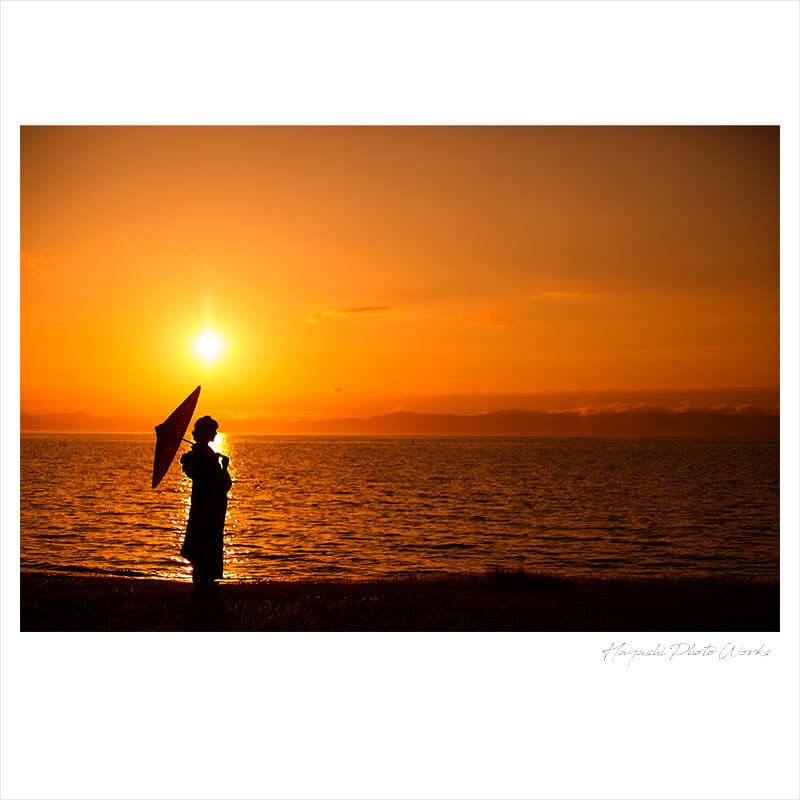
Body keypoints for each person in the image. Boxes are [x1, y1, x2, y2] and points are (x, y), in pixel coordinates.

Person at [180, 415, 232, 586]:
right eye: (213, 431)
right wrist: (224, 468)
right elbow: (220, 483)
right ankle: (204, 579)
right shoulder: (203, 456)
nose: (216, 434)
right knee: (206, 541)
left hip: (204, 505)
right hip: (209, 507)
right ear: (206, 432)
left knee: (202, 540)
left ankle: (203, 578)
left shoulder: (200, 454)